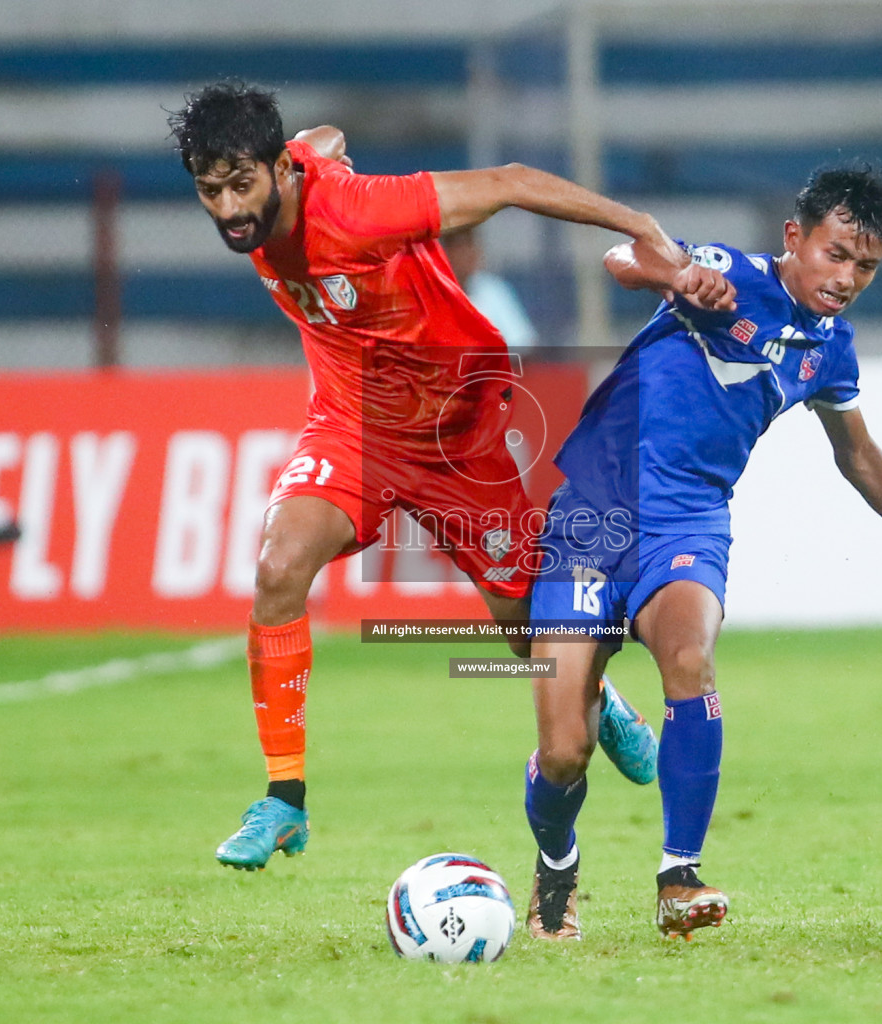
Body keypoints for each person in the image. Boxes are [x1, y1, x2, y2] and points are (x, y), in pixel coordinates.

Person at [167, 82, 663, 872]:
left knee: (527, 635)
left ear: (276, 172)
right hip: (353, 426)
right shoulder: (284, 172)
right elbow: (319, 136)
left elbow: (507, 181)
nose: (227, 208)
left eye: (240, 185)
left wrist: (641, 226)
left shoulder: (360, 210)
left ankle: (601, 706)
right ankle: (283, 800)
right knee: (277, 567)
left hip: (456, 433)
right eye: (208, 190)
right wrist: (315, 143)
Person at [520, 166, 882, 939]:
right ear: (795, 238)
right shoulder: (731, 272)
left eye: (865, 266)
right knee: (564, 752)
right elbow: (624, 259)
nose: (846, 279)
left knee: (690, 660)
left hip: (690, 522)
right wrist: (678, 277)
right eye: (837, 254)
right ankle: (556, 868)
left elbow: (858, 455)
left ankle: (679, 875)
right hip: (590, 520)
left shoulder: (831, 351)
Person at [442, 226, 539, 349]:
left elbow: (522, 343)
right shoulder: (432, 293)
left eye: (471, 245)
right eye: (460, 247)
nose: (469, 254)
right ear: (445, 252)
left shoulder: (494, 290)